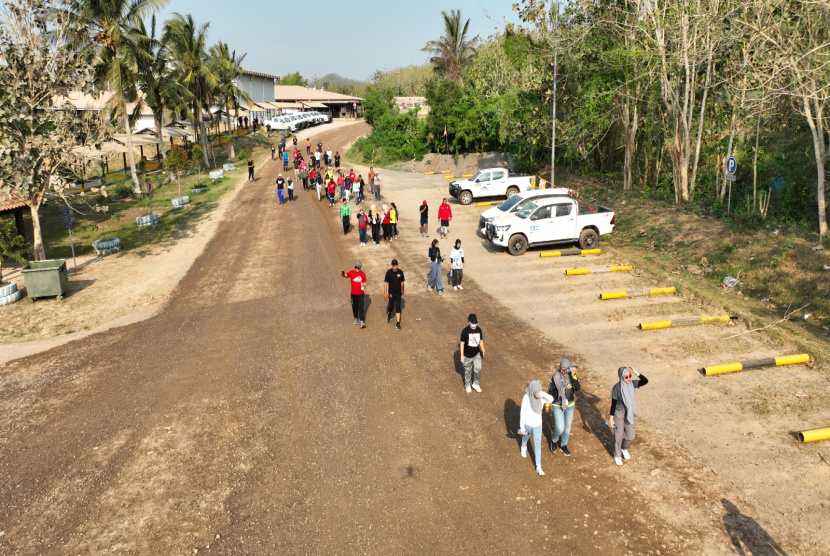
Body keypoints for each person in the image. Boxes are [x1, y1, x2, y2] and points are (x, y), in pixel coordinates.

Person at [608, 366, 649, 466]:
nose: (629, 378)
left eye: (629, 376)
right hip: (618, 413)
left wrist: (635, 372)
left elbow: (645, 381)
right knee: (618, 436)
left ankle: (623, 448)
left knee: (631, 436)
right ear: (621, 377)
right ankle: (617, 455)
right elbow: (613, 404)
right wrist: (611, 419)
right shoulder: (617, 388)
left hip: (629, 413)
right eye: (626, 377)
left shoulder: (631, 384)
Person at [547, 359, 581, 457]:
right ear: (560, 368)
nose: (564, 372)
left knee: (567, 428)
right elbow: (550, 391)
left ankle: (563, 445)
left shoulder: (571, 376)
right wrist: (546, 404)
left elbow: (578, 388)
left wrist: (574, 376)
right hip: (557, 404)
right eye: (562, 370)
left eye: (566, 370)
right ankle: (554, 440)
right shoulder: (555, 377)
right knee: (560, 428)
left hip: (569, 405)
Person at [520, 380, 555, 476]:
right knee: (525, 437)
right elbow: (522, 413)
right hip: (527, 424)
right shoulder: (526, 398)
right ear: (532, 391)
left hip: (538, 425)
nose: (538, 394)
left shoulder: (541, 397)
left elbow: (551, 399)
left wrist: (542, 394)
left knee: (537, 444)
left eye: (539, 391)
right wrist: (522, 427)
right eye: (536, 392)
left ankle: (538, 466)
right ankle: (523, 446)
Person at [459, 313, 485, 392]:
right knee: (468, 370)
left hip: (476, 353)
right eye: (473, 323)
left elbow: (481, 341)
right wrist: (462, 356)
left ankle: (475, 384)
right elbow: (462, 344)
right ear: (469, 322)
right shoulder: (465, 331)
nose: (474, 325)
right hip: (467, 355)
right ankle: (467, 385)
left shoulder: (479, 330)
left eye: (475, 323)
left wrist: (483, 349)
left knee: (478, 368)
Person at [340, 261, 366, 328]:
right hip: (353, 294)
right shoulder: (351, 272)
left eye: (358, 267)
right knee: (354, 307)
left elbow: (364, 282)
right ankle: (355, 317)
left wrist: (363, 286)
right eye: (355, 267)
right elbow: (345, 275)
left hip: (360, 294)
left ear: (360, 268)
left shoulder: (363, 274)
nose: (356, 268)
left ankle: (362, 321)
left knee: (360, 307)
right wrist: (342, 273)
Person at [384, 259, 405, 331]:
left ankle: (398, 323)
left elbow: (402, 282)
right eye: (393, 265)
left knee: (398, 307)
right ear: (392, 265)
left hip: (398, 293)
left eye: (396, 264)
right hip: (391, 294)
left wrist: (403, 290)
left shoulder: (400, 272)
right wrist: (385, 293)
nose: (395, 266)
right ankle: (389, 313)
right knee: (391, 306)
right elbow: (385, 283)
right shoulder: (388, 273)